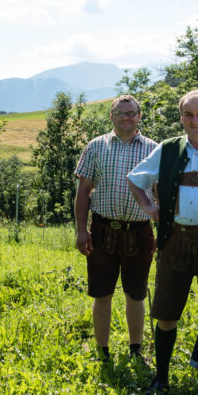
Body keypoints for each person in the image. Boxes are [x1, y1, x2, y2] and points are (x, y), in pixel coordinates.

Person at [128, 88, 198, 393]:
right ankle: (161, 378)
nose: (195, 121)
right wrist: (150, 208)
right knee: (166, 312)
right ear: (181, 118)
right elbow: (135, 180)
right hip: (174, 241)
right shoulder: (167, 149)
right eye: (189, 115)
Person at [74, 95, 158, 363]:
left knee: (136, 294)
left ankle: (136, 350)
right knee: (102, 294)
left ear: (139, 116)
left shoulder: (154, 150)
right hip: (102, 230)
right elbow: (83, 191)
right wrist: (81, 230)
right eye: (120, 113)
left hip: (139, 232)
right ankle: (102, 351)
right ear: (111, 116)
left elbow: (161, 193)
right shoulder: (96, 146)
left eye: (131, 113)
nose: (126, 117)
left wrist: (164, 232)